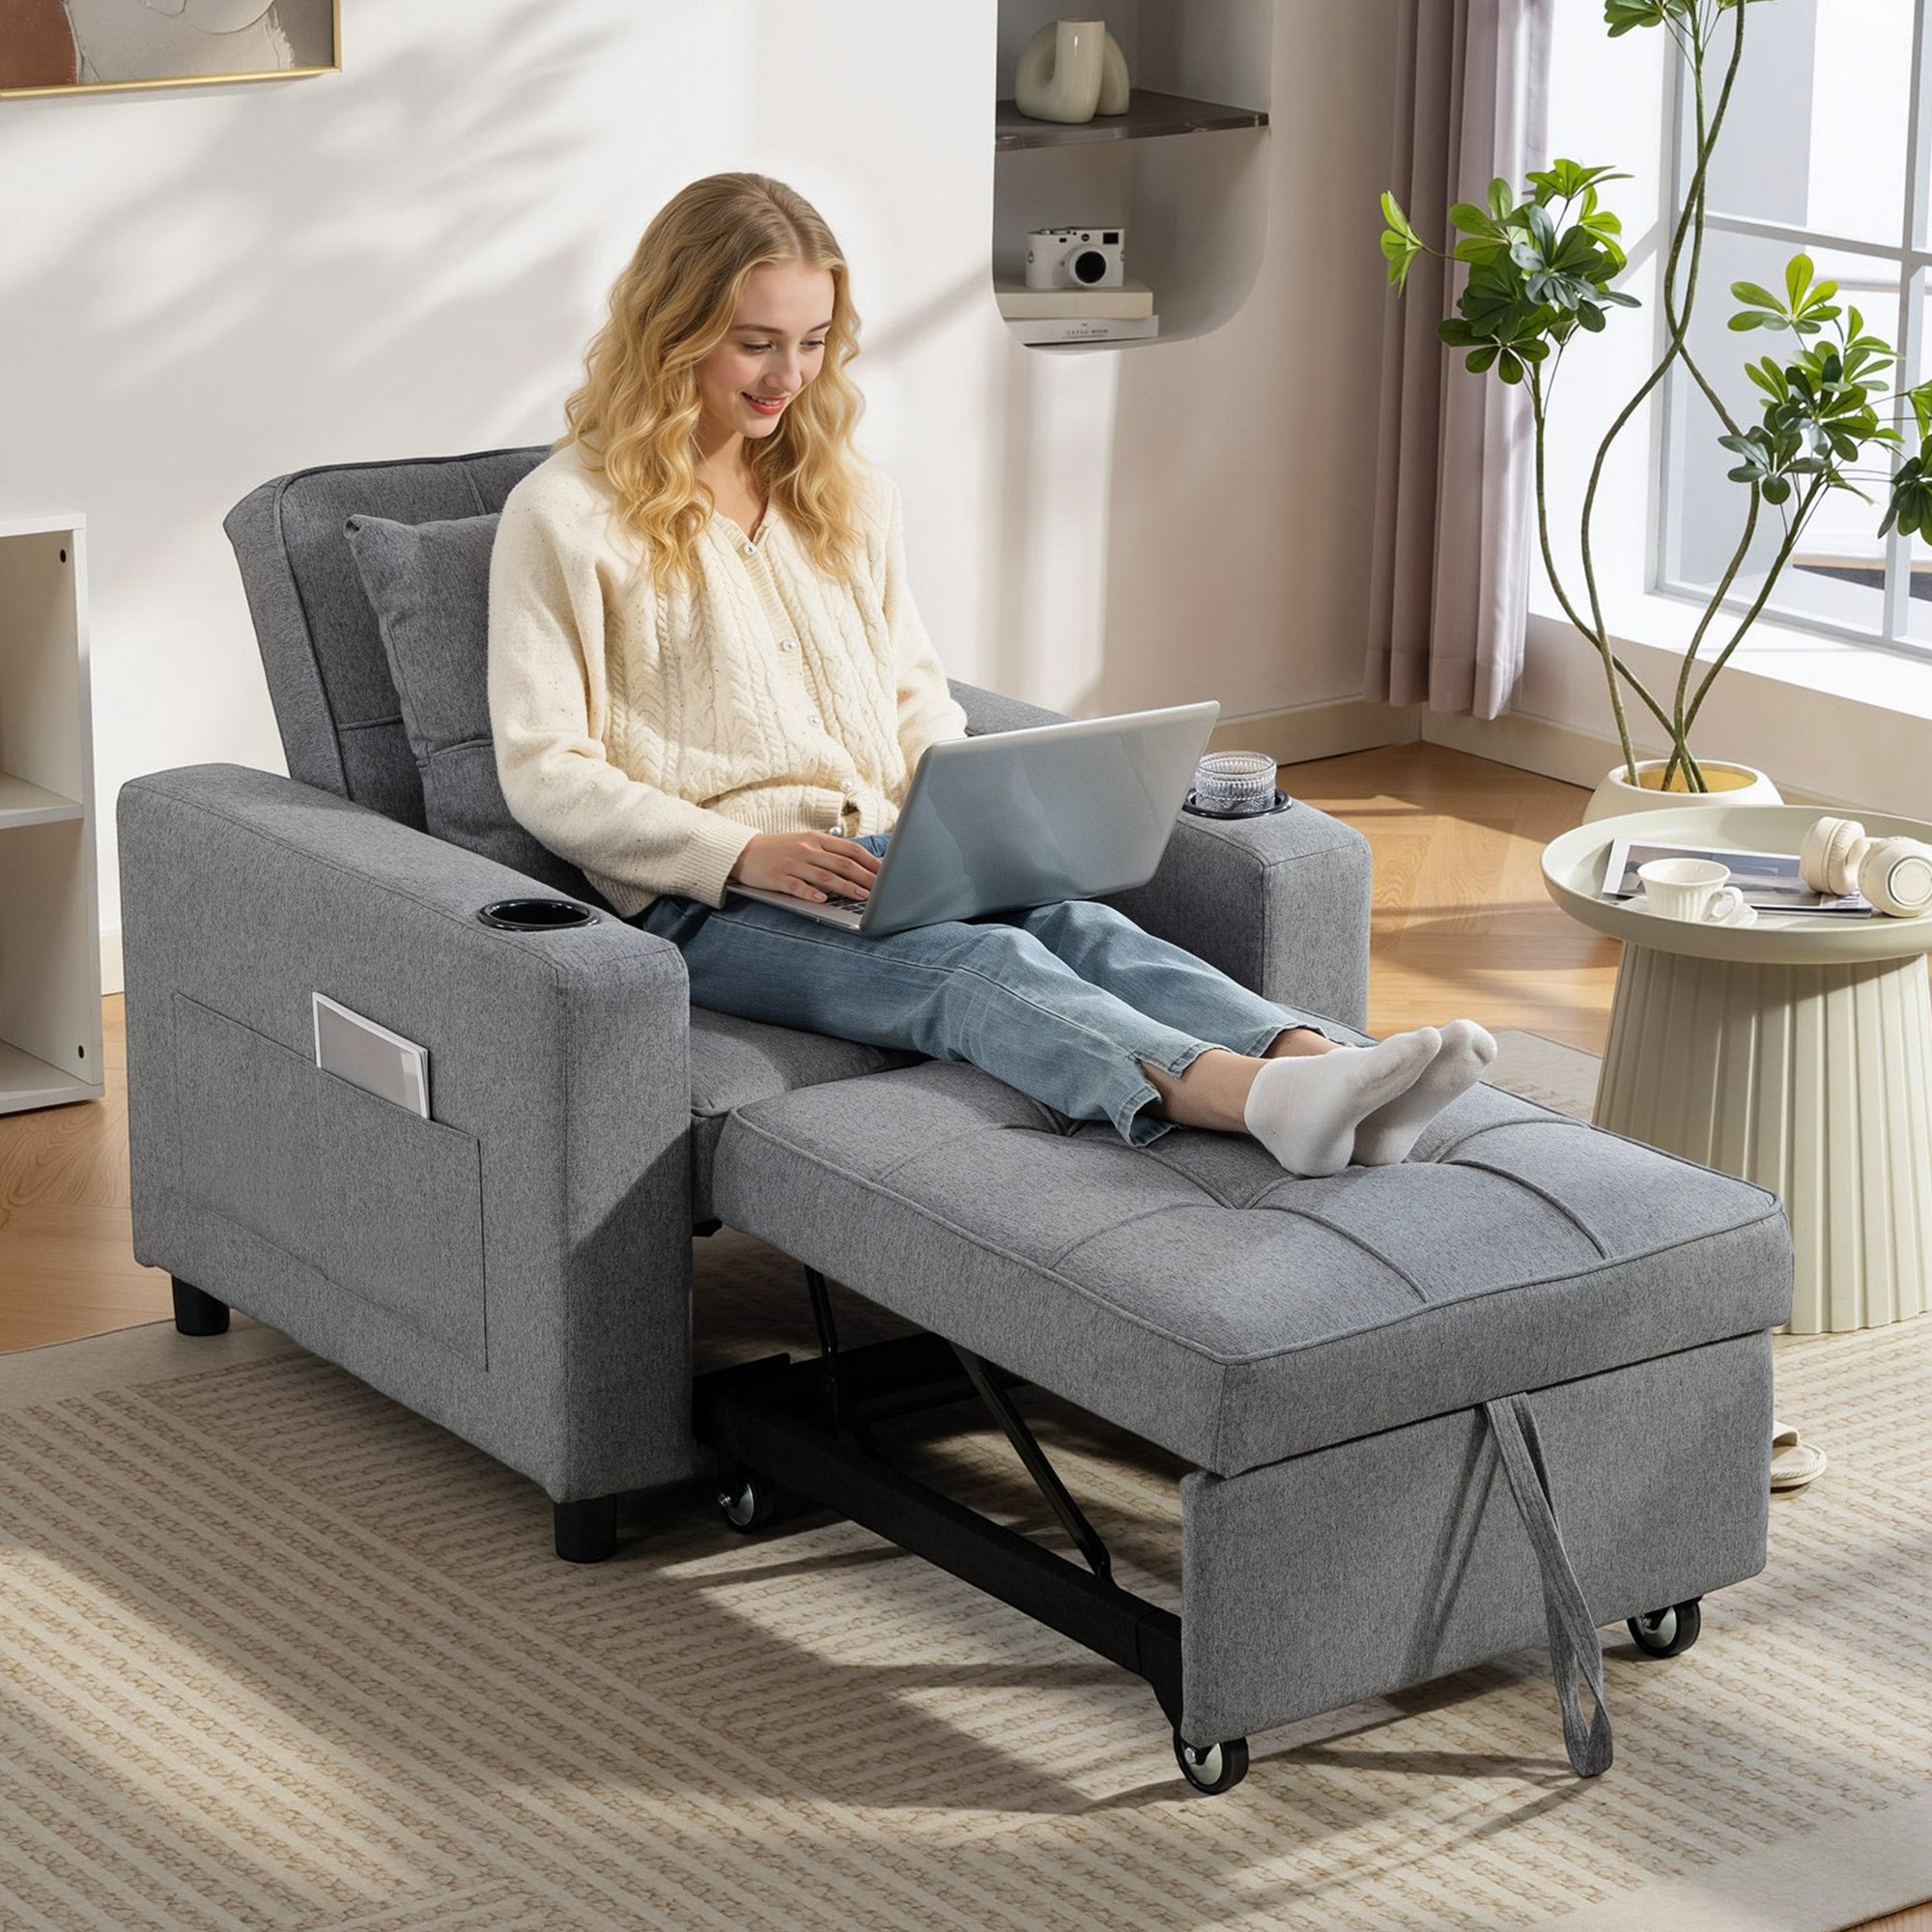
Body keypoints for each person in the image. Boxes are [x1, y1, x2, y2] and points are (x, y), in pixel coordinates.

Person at [488, 171, 1497, 1177]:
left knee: (1077, 921)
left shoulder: (843, 493)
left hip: (885, 855)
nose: (786, 375)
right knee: (981, 964)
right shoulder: (567, 516)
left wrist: (966, 823)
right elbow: (545, 769)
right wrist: (741, 851)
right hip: (704, 902)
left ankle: (1325, 1065)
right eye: (754, 343)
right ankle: (1254, 1101)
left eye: (810, 342)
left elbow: (913, 692)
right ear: (672, 329)